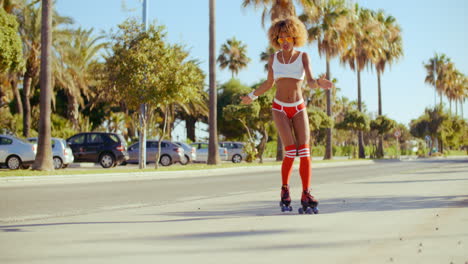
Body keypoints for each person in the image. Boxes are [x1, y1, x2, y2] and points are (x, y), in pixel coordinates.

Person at [240, 16, 332, 213]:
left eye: (288, 38)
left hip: (299, 107)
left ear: (295, 37)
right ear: (276, 40)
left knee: (305, 152)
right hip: (279, 108)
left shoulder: (303, 57)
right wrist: (251, 96)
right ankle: (285, 189)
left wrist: (319, 84)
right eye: (280, 39)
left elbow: (310, 81)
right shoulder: (273, 58)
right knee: (290, 151)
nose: (284, 42)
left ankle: (306, 192)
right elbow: (268, 84)